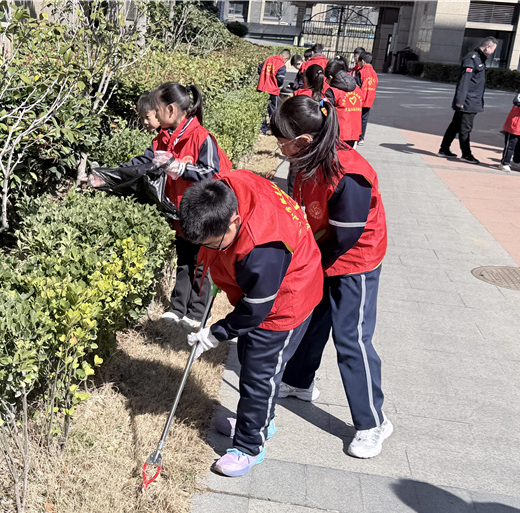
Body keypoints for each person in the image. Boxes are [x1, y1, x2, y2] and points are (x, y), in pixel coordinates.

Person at [271, 95, 392, 459]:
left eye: (282, 141)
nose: (279, 148)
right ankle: (299, 382)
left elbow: (344, 238)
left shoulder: (349, 174)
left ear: (303, 140)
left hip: (354, 260)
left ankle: (373, 422)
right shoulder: (304, 161)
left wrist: (310, 261)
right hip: (321, 251)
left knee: (351, 337)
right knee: (311, 318)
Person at [180, 170, 324, 477]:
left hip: (286, 299)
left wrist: (215, 333)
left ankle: (249, 446)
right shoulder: (228, 186)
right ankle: (259, 422)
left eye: (214, 244)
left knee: (259, 374)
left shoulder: (263, 247)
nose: (211, 249)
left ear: (234, 219)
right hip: (266, 288)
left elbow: (256, 310)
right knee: (250, 360)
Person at [92, 83, 233, 328]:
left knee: (201, 263)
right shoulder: (164, 138)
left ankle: (198, 312)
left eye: (156, 110)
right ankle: (178, 307)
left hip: (202, 211)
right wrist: (107, 176)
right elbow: (142, 163)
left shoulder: (201, 137)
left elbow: (213, 173)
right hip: (179, 211)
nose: (155, 115)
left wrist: (182, 168)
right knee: (184, 259)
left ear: (171, 109)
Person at [438, 37, 498, 164]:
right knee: (465, 128)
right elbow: (464, 81)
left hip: (473, 100)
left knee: (455, 125)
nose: (493, 52)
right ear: (487, 47)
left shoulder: (480, 58)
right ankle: (466, 154)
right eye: (493, 49)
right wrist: (460, 101)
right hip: (468, 101)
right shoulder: (472, 59)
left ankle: (444, 149)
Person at [325, 58, 363, 147]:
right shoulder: (357, 89)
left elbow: (324, 110)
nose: (326, 81)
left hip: (338, 134)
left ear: (331, 77)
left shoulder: (333, 92)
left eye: (327, 79)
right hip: (354, 132)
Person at [258, 49, 291, 136]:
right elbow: (280, 79)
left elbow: (259, 69)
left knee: (262, 109)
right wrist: (277, 84)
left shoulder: (268, 59)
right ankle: (274, 130)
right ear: (285, 58)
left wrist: (264, 78)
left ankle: (262, 129)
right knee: (273, 111)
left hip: (261, 88)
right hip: (272, 90)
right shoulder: (281, 65)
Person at [355, 52, 378, 145]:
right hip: (369, 99)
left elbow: (357, 86)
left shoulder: (361, 72)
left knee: (356, 118)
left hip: (360, 99)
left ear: (363, 61)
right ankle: (361, 138)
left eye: (359, 62)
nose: (358, 64)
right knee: (364, 119)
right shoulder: (374, 73)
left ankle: (355, 136)